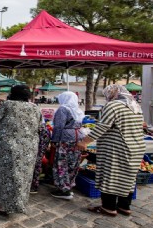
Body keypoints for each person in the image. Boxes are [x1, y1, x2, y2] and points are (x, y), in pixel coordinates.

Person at [77, 84, 145, 217]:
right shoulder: (135, 106)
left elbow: (102, 126)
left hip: (117, 147)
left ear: (112, 94)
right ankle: (124, 206)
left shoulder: (113, 106)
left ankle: (108, 207)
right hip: (136, 147)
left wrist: (84, 141)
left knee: (111, 176)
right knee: (128, 178)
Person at [0, 85, 42, 216]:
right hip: (28, 148)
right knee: (23, 175)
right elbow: (39, 125)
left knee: (4, 174)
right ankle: (19, 202)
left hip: (8, 147)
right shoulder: (35, 108)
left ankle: (1, 205)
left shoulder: (9, 104)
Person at [49, 91, 86, 200]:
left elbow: (58, 127)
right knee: (73, 163)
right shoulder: (78, 110)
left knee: (61, 163)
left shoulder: (63, 109)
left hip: (66, 138)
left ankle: (63, 190)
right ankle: (69, 186)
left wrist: (54, 140)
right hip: (78, 138)